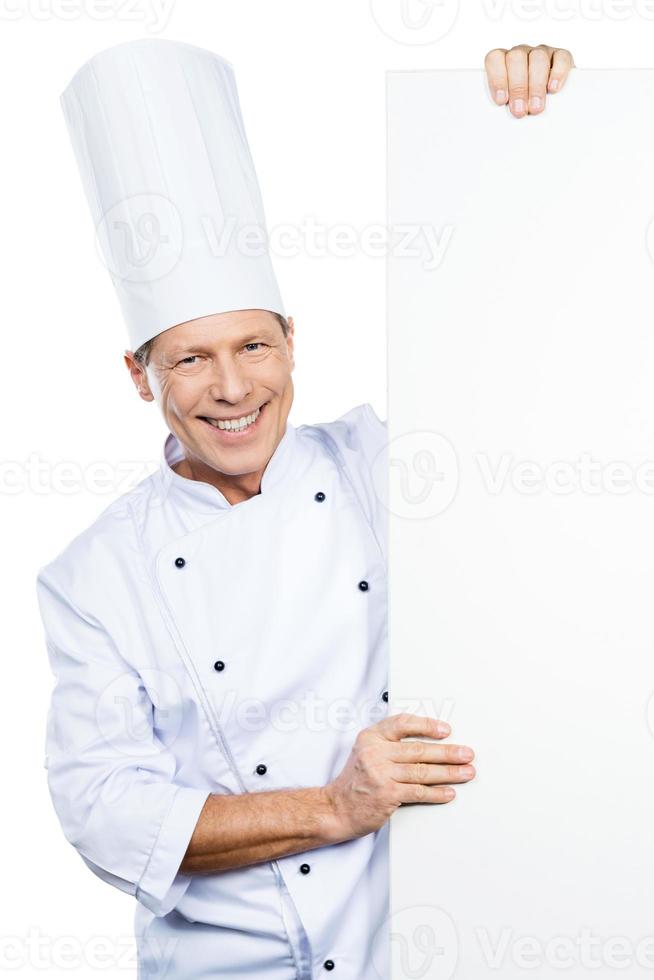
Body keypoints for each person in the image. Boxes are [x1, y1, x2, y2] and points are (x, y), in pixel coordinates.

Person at [36, 39, 573, 980]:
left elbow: (536, 367)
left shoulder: (383, 465)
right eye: (190, 359)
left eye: (253, 344)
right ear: (138, 374)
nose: (232, 388)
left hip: (419, 945)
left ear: (292, 341)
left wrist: (530, 128)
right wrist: (333, 806)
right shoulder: (93, 575)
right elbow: (105, 814)